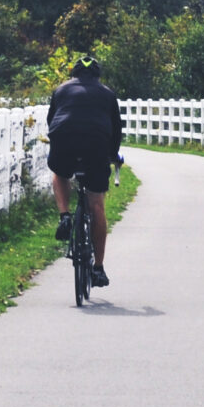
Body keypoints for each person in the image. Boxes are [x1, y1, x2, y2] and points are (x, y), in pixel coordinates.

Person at [46, 55, 124, 288]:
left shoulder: (61, 90)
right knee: (97, 204)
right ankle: (98, 268)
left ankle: (65, 215)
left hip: (64, 140)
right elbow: (116, 131)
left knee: (60, 173)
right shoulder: (108, 94)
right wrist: (112, 155)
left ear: (74, 74)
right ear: (97, 76)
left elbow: (51, 122)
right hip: (96, 145)